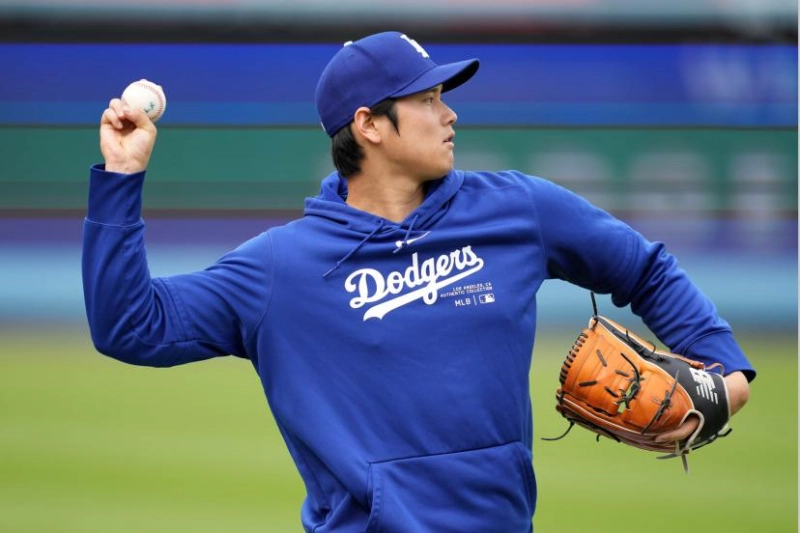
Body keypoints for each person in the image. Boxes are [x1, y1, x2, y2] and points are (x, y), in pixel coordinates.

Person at [83, 31, 754, 532]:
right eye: (427, 99)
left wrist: (726, 373)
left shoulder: (516, 210)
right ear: (368, 124)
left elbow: (643, 267)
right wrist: (120, 179)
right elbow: (130, 325)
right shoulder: (281, 269)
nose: (449, 113)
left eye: (445, 97)